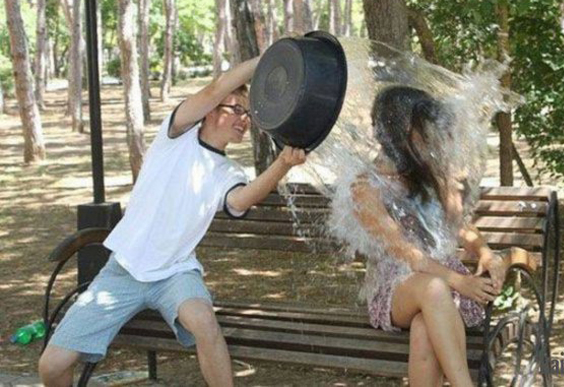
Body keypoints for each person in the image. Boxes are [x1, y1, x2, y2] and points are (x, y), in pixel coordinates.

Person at [38, 57, 307, 387]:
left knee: (204, 322)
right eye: (237, 109)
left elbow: (239, 201)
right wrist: (267, 58)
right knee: (51, 366)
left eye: (248, 114)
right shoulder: (176, 135)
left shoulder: (229, 172)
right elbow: (215, 88)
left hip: (175, 274)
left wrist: (283, 164)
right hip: (122, 272)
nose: (244, 119)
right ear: (210, 111)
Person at [331, 86, 509, 387]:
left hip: (445, 289)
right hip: (397, 288)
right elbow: (408, 256)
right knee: (433, 289)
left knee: (425, 328)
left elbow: (460, 227)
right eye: (422, 127)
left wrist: (486, 253)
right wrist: (461, 282)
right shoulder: (365, 187)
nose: (429, 134)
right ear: (401, 131)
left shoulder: (431, 175)